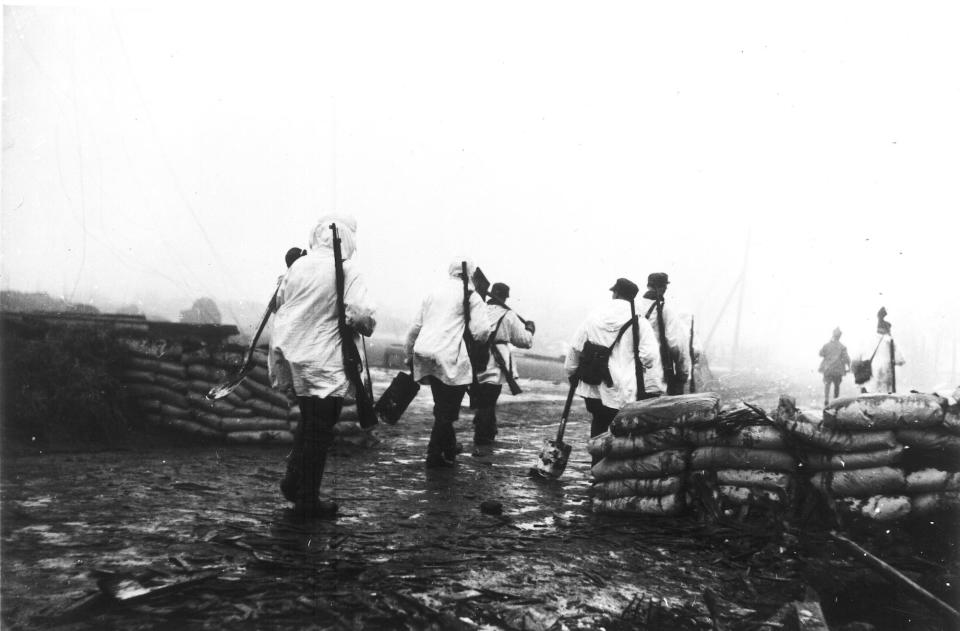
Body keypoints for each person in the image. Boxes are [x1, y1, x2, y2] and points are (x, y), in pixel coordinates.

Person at [269, 215, 376, 517]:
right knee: (319, 430)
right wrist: (366, 325)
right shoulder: (347, 269)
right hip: (325, 363)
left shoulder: (298, 267)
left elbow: (278, 302)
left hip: (295, 356)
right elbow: (360, 316)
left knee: (309, 423)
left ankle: (294, 483)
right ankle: (306, 500)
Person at [564, 278, 662, 464]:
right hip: (621, 387)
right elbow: (649, 356)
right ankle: (611, 471)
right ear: (632, 298)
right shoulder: (638, 321)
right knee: (618, 429)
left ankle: (596, 466)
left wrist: (571, 372)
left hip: (592, 384)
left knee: (598, 422)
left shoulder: (593, 316)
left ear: (615, 293)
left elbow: (575, 348)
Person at [405, 259, 492, 468]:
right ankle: (434, 454)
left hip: (425, 353)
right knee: (448, 411)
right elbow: (481, 332)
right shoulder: (472, 296)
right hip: (451, 357)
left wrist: (409, 354)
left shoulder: (434, 293)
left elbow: (415, 327)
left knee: (442, 406)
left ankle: (448, 450)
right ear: (470, 274)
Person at [472, 282, 535, 448]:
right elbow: (524, 341)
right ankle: (483, 436)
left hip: (477, 358)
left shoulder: (479, 310)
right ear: (506, 297)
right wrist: (530, 330)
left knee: (484, 398)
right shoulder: (509, 315)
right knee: (489, 399)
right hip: (496, 360)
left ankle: (487, 431)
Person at [639, 273, 689, 395]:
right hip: (656, 374)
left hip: (630, 374)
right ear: (664, 288)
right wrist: (683, 373)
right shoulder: (665, 309)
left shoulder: (634, 307)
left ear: (648, 285)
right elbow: (676, 345)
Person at [859, 308, 904, 394]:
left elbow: (862, 354)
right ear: (887, 329)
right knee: (885, 392)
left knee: (872, 391)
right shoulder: (889, 340)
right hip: (886, 370)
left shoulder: (870, 340)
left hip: (870, 372)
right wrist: (898, 361)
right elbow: (900, 359)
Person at [818, 327, 850, 406]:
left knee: (827, 385)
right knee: (837, 386)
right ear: (840, 336)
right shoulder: (842, 347)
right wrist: (849, 366)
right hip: (837, 370)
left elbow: (821, 353)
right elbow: (846, 358)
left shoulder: (827, 345)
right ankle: (835, 402)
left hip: (828, 369)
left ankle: (826, 400)